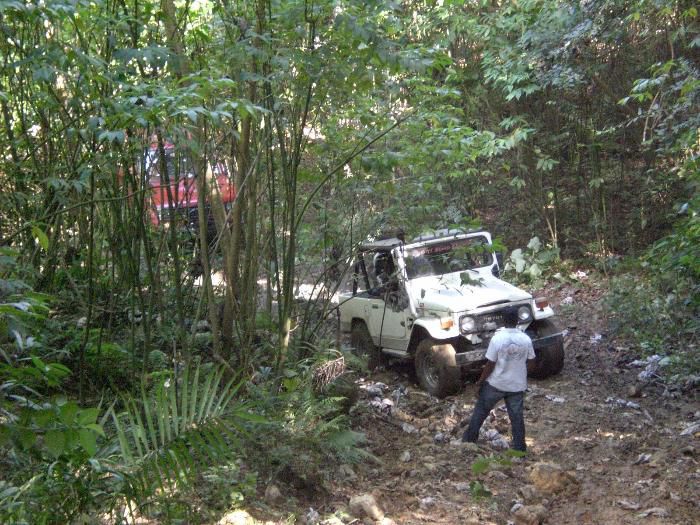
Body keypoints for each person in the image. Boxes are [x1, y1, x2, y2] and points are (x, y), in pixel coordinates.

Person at [462, 306, 536, 452]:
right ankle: (520, 449)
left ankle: (469, 440)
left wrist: (480, 382)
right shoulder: (526, 339)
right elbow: (532, 361)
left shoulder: (497, 339)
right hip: (516, 386)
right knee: (517, 418)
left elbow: (490, 364)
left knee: (481, 411)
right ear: (517, 320)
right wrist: (522, 374)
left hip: (496, 384)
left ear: (503, 320)